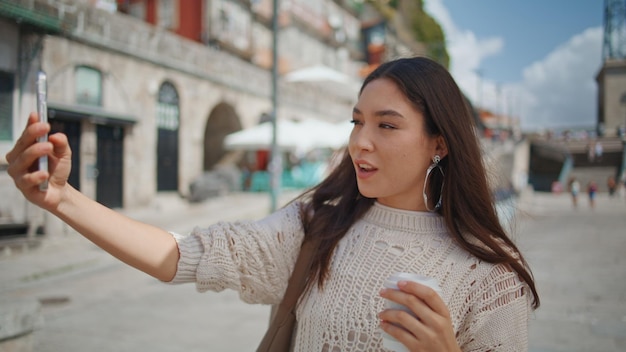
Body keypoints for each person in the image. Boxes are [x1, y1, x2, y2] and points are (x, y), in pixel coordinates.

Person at [6, 57, 539, 351]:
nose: (360, 142)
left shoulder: (489, 276)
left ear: (439, 143)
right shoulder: (319, 226)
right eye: (357, 121)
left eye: (387, 125)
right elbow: (184, 254)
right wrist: (61, 200)